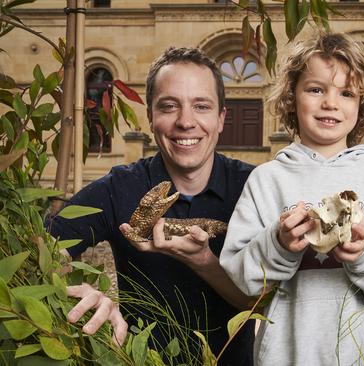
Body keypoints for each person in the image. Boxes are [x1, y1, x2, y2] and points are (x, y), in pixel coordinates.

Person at [219, 32, 364, 365]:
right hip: (286, 354)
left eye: (346, 93)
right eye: (316, 90)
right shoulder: (267, 180)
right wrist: (279, 242)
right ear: (291, 97)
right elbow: (241, 274)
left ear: (362, 105)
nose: (330, 103)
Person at [48, 47, 254, 365]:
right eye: (169, 107)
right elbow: (40, 252)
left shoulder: (253, 188)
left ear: (221, 118)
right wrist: (79, 290)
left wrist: (204, 262)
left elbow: (265, 302)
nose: (186, 122)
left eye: (201, 106)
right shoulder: (120, 186)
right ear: (150, 117)